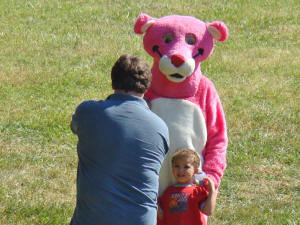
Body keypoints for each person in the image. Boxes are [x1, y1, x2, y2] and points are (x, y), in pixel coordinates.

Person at [69, 54, 169, 225]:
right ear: (146, 87)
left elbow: (75, 126)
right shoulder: (160, 127)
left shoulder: (88, 112)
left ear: (113, 81)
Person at [157, 149, 216, 225]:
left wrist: (212, 191)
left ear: (196, 171)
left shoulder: (197, 191)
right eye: (177, 166)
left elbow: (208, 211)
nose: (181, 170)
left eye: (186, 167)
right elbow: (160, 215)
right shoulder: (168, 192)